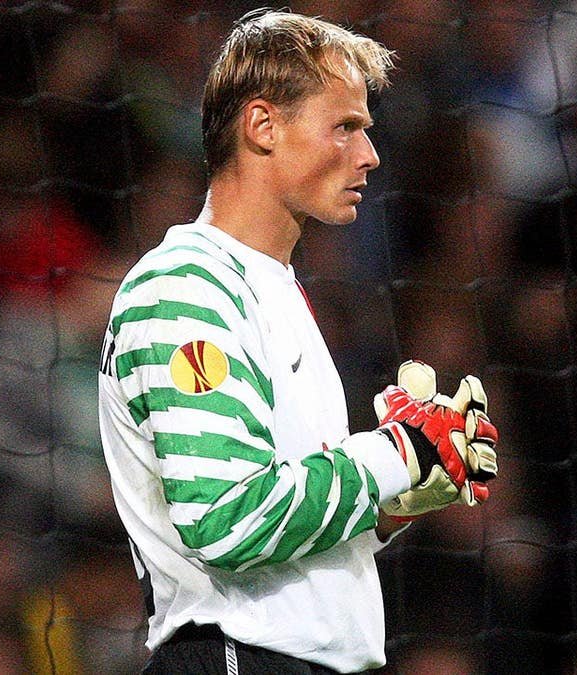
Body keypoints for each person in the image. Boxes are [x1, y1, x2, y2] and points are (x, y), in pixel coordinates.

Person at [97, 10, 498, 674]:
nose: (369, 155)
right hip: (234, 658)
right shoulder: (187, 286)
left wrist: (388, 505)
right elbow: (224, 517)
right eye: (344, 127)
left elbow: (277, 520)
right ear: (262, 126)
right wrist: (397, 452)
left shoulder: (273, 289)